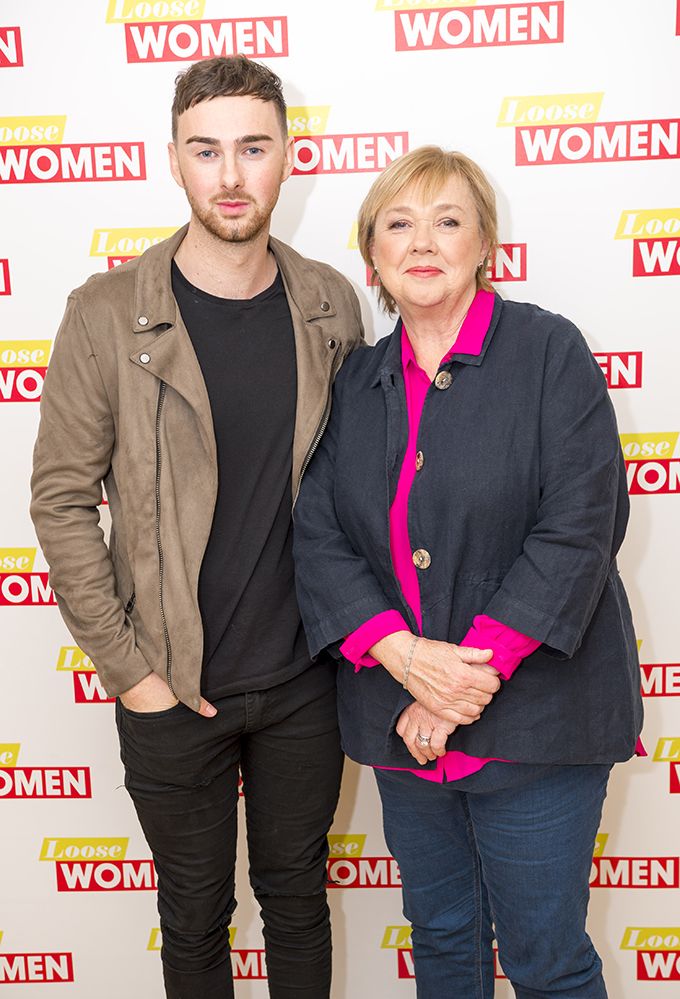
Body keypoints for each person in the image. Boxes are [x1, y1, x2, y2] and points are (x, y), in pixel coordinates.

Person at [30, 56, 364, 999]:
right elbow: (60, 499)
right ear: (173, 161)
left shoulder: (330, 304)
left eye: (252, 148)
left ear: (288, 158)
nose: (231, 175)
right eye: (206, 150)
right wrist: (131, 671)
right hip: (170, 684)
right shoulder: (104, 314)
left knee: (299, 900)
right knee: (193, 916)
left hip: (305, 680)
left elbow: (360, 488)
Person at [293, 145, 643, 998]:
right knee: (444, 947)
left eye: (448, 220)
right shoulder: (357, 380)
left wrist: (454, 682)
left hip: (536, 725)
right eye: (400, 223)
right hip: (402, 733)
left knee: (546, 959)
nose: (424, 242)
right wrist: (400, 656)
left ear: (483, 240)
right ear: (371, 251)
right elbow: (319, 533)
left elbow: (577, 530)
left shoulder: (551, 353)